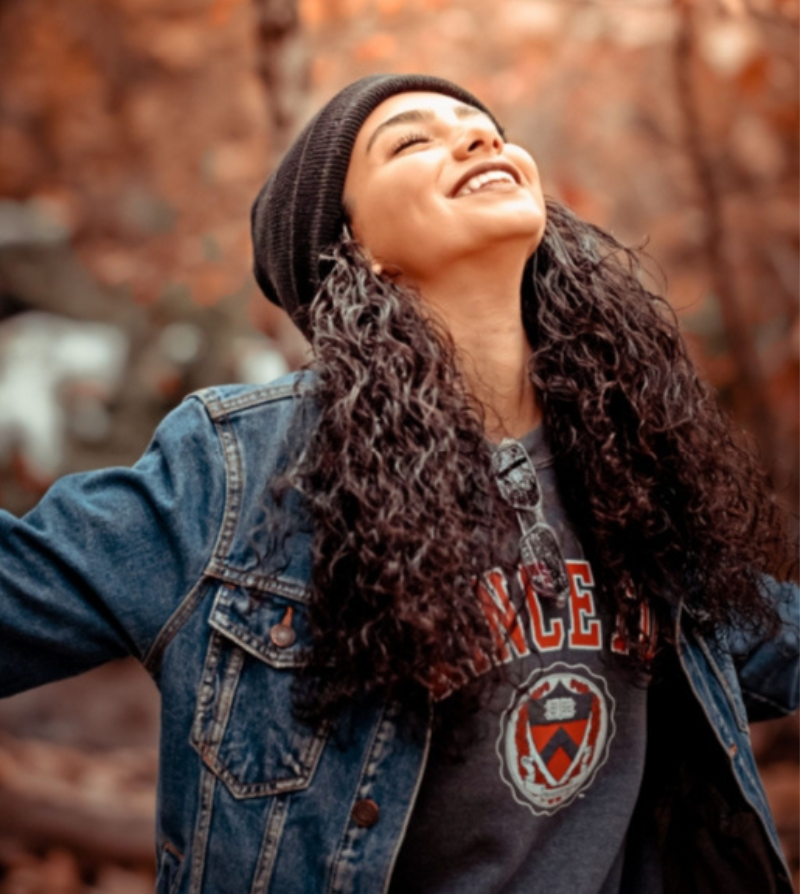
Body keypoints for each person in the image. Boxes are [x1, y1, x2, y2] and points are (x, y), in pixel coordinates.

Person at [0, 72, 797, 894]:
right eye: (413, 141)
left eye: (484, 127)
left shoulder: (625, 456)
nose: (480, 139)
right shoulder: (238, 471)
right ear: (357, 251)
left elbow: (764, 641)